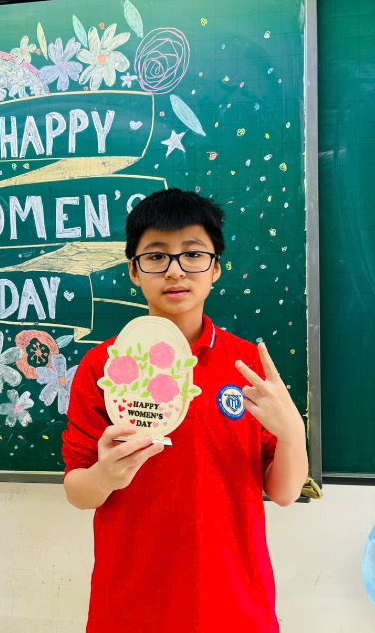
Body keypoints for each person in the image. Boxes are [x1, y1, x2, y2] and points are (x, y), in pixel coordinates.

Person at [62, 188, 309, 632]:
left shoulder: (246, 365)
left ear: (215, 267)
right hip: (132, 603)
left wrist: (292, 434)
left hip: (235, 602)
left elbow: (285, 492)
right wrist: (105, 476)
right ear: (133, 270)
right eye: (156, 256)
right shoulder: (104, 366)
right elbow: (78, 492)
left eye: (193, 254)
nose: (175, 270)